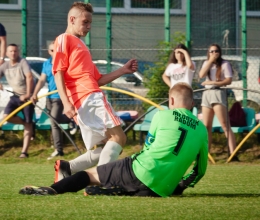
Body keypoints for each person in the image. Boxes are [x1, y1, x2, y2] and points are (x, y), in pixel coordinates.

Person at [19, 83, 208, 197]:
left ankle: (50, 190)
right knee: (133, 185)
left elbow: (149, 147)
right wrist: (181, 185)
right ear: (192, 104)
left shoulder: (163, 115)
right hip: (161, 189)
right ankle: (110, 189)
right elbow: (200, 170)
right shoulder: (202, 129)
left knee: (89, 175)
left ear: (171, 101)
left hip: (140, 171)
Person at [51, 1, 138, 182]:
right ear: (72, 19)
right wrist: (65, 102)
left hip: (87, 97)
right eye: (85, 22)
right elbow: (57, 71)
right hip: (89, 97)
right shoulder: (64, 39)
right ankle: (101, 181)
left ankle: (68, 168)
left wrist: (123, 70)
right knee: (119, 138)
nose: (89, 26)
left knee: (107, 144)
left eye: (90, 23)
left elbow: (97, 80)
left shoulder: (81, 45)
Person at [30, 41, 77, 160]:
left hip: (59, 97)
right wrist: (34, 94)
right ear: (49, 52)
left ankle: (59, 149)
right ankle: (73, 119)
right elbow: (41, 80)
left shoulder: (64, 62)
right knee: (54, 121)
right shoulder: (47, 63)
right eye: (52, 50)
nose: (54, 52)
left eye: (56, 50)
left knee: (53, 121)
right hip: (49, 97)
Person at [198, 43, 237, 159]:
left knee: (225, 125)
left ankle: (233, 153)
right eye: (211, 51)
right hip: (207, 94)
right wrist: (210, 61)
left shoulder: (225, 64)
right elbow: (201, 75)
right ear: (208, 53)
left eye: (216, 51)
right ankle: (206, 154)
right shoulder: (206, 63)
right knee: (206, 126)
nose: (214, 54)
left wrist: (213, 82)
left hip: (218, 92)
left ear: (220, 53)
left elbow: (229, 80)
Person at [0, 44, 35, 158]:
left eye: (15, 51)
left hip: (27, 97)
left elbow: (29, 77)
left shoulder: (22, 62)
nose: (13, 53)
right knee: (6, 117)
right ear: (6, 53)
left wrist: (28, 94)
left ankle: (24, 152)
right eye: (10, 51)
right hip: (15, 96)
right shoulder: (5, 65)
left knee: (28, 123)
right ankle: (28, 125)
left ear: (18, 52)